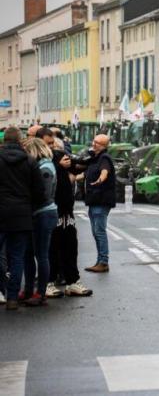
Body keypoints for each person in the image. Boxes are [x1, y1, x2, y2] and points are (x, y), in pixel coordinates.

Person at [0, 127, 46, 311]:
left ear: (4, 141)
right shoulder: (30, 161)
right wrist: (28, 206)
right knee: (17, 257)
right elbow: (40, 192)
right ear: (20, 140)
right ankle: (12, 298)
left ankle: (3, 287)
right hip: (22, 215)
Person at [49, 138, 92, 296]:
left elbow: (79, 166)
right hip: (51, 209)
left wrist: (93, 156)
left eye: (56, 146)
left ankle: (72, 281)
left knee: (70, 245)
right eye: (50, 144)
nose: (54, 148)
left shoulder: (61, 157)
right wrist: (59, 165)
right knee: (51, 248)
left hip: (67, 210)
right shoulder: (42, 160)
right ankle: (48, 281)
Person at [23, 138, 59, 307]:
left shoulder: (45, 168)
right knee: (29, 253)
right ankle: (30, 289)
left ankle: (41, 292)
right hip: (40, 213)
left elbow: (42, 194)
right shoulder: (43, 165)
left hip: (43, 213)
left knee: (41, 254)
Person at [84, 134, 116, 273]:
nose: (94, 144)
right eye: (94, 141)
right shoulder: (94, 159)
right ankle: (100, 261)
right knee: (95, 232)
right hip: (93, 200)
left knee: (99, 231)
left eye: (98, 143)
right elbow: (85, 173)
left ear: (104, 146)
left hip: (101, 200)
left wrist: (101, 179)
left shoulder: (104, 158)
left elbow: (105, 171)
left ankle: (103, 262)